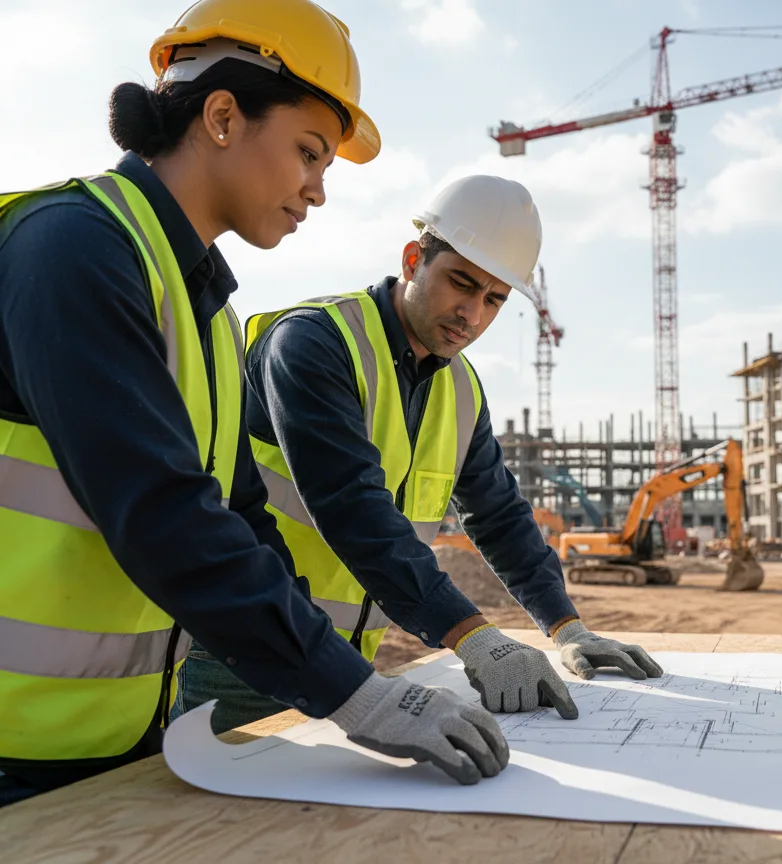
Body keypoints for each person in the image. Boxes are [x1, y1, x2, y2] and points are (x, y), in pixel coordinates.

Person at [0, 0, 508, 806]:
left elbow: (237, 514)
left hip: (119, 747)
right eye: (309, 153)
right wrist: (356, 694)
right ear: (223, 117)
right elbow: (161, 511)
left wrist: (339, 672)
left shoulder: (206, 310)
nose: (318, 191)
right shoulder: (72, 248)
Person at [170, 174, 664, 734]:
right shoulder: (313, 344)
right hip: (244, 653)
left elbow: (499, 515)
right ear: (412, 261)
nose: (472, 314)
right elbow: (352, 508)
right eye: (461, 283)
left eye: (494, 300)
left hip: (344, 659)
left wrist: (566, 627)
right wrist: (472, 635)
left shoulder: (461, 389)